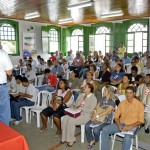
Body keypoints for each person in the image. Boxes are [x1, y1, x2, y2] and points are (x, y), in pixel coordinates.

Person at [0, 47, 13, 125]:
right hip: (1, 86)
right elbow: (9, 72)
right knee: (4, 112)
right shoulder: (2, 53)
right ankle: (4, 134)